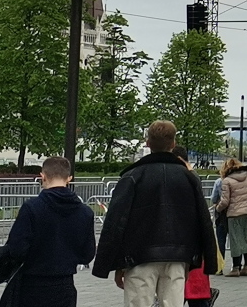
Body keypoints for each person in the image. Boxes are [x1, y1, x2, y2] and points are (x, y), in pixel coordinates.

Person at [92, 120, 218, 307]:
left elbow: (116, 221)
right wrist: (208, 258)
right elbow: (203, 220)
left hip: (139, 257)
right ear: (173, 143)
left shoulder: (133, 176)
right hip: (178, 255)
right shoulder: (188, 178)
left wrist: (113, 262)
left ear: (148, 143)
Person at [0, 156, 95, 307]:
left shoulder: (32, 208)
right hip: (64, 286)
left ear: (42, 176)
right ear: (69, 178)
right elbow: (87, 254)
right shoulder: (85, 212)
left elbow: (17, 249)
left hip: (31, 285)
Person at [171, 146, 220, 307]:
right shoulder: (190, 176)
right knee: (193, 289)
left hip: (188, 242)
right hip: (192, 243)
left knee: (191, 289)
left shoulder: (187, 177)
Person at [215, 157, 247, 277]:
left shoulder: (227, 181)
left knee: (235, 240)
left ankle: (235, 268)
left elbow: (225, 201)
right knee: (246, 238)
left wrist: (218, 209)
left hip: (234, 214)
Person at [210, 170, 228, 270]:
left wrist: (217, 207)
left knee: (221, 240)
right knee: (236, 240)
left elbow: (214, 198)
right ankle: (238, 265)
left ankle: (220, 266)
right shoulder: (241, 180)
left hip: (221, 213)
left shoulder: (219, 182)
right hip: (235, 213)